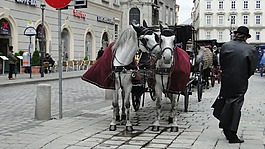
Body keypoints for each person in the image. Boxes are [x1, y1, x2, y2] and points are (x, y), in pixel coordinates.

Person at [217, 26, 258, 143]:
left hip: (226, 79)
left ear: (236, 35)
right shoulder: (250, 49)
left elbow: (222, 63)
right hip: (240, 80)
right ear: (246, 37)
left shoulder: (225, 46)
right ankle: (232, 133)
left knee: (226, 101)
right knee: (236, 106)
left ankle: (225, 126)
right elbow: (252, 68)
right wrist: (244, 76)